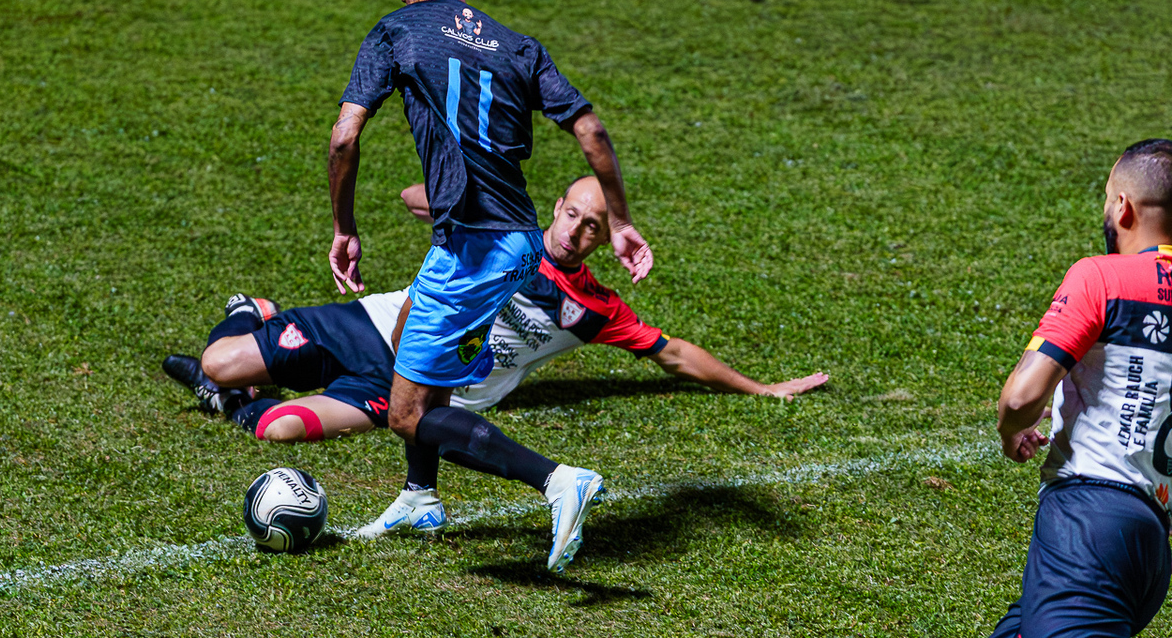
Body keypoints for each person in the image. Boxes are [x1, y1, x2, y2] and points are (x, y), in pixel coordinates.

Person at [329, 0, 651, 573]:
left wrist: (344, 227)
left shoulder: (396, 31)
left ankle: (558, 481)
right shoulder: (518, 46)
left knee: (405, 413)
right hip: (511, 242)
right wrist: (618, 219)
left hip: (474, 249)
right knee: (410, 336)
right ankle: (420, 496)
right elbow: (591, 132)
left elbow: (344, 137)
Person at [163, 179, 827, 433]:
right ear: (557, 208)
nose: (575, 230)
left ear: (606, 239)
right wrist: (467, 200)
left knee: (278, 427)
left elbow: (672, 354)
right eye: (572, 214)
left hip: (420, 394)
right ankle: (252, 310)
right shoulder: (505, 235)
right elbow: (410, 198)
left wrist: (761, 388)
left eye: (592, 226)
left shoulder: (594, 308)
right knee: (220, 361)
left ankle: (233, 402)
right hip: (374, 328)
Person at [991, 139, 1172, 638]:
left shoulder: (1102, 277)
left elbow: (1020, 399)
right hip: (1152, 542)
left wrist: (1011, 429)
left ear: (1124, 207)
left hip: (1090, 523)